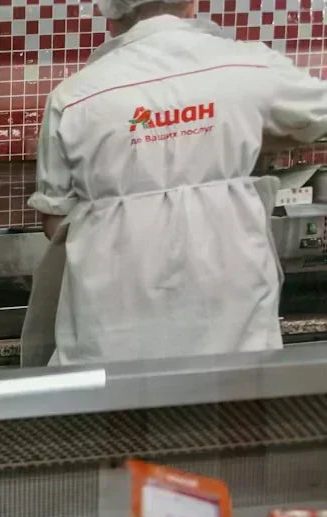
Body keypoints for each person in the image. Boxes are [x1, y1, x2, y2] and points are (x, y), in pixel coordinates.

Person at [25, 0, 327, 365]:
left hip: (112, 326)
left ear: (112, 14)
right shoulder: (247, 67)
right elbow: (317, 115)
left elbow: (53, 221)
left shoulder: (74, 96)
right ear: (191, 4)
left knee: (114, 415)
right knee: (228, 412)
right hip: (231, 320)